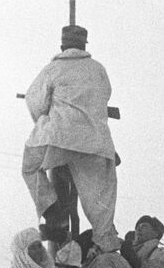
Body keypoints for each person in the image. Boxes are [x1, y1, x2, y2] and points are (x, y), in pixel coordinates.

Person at [21, 24, 119, 251]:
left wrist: (46, 119)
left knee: (30, 167)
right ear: (84, 45)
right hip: (95, 142)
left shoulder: (52, 69)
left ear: (62, 45)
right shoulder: (98, 69)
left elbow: (35, 103)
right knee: (100, 198)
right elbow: (104, 97)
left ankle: (54, 214)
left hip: (58, 138)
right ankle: (105, 245)